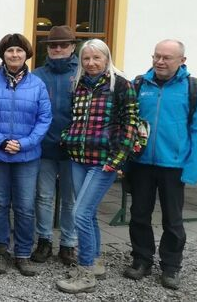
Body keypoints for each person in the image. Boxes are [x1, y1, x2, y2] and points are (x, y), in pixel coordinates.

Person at [56, 39, 138, 294]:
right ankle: (95, 262)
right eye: (86, 58)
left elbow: (130, 125)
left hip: (103, 162)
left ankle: (85, 273)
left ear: (106, 59)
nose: (91, 63)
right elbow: (76, 118)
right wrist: (67, 138)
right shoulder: (78, 84)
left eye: (96, 58)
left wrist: (117, 160)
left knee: (79, 213)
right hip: (79, 158)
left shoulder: (121, 85)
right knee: (88, 214)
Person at [123, 40, 196, 290]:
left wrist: (192, 167)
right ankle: (141, 259)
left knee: (173, 220)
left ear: (181, 61)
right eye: (157, 56)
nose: (160, 62)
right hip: (141, 162)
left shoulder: (190, 88)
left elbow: (195, 130)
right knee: (139, 214)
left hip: (173, 164)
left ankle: (171, 266)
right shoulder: (140, 83)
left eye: (167, 57)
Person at [0, 33, 51, 277]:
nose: (14, 55)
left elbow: (44, 119)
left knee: (25, 207)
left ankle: (23, 253)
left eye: (19, 51)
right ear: (3, 54)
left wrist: (24, 143)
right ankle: (0, 249)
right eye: (10, 51)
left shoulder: (37, 84)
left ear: (26, 54)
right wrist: (1, 141)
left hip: (27, 157)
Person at [31, 26, 79, 266]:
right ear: (47, 48)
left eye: (63, 44)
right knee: (44, 197)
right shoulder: (37, 75)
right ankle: (44, 240)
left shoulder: (82, 73)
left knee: (70, 199)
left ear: (73, 47)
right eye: (53, 45)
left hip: (74, 150)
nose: (58, 49)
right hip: (45, 147)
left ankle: (69, 243)